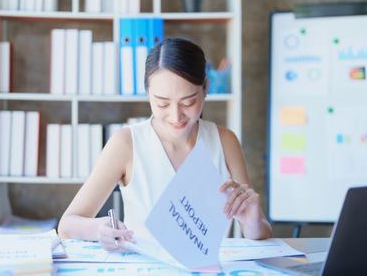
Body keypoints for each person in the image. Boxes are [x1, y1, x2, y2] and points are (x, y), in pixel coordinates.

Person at [58, 38, 272, 250]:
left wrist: (253, 221)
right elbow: (67, 225)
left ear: (206, 87)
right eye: (162, 103)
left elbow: (260, 232)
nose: (175, 116)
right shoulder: (126, 144)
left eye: (188, 102)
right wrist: (99, 229)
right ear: (147, 92)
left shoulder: (225, 141)